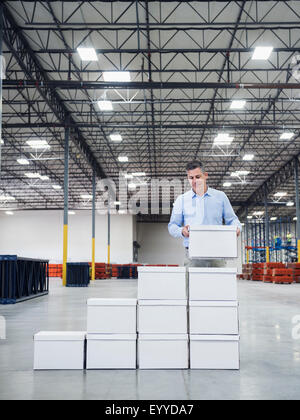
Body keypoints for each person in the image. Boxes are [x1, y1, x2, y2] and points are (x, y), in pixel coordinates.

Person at [168, 160, 242, 268]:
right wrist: (182, 231)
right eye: (191, 178)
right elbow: (172, 226)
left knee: (218, 284)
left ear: (205, 176)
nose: (194, 181)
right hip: (193, 255)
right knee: (192, 285)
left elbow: (232, 220)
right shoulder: (182, 200)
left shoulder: (220, 197)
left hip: (217, 253)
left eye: (198, 177)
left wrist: (238, 228)